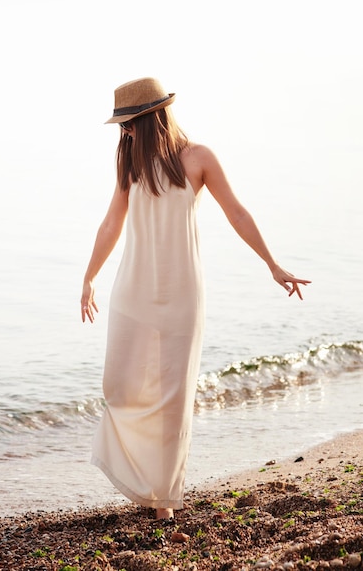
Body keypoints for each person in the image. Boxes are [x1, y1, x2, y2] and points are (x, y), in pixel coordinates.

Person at [81, 77, 311, 521]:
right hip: (133, 290)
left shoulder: (198, 158)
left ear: (150, 119)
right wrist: (89, 277)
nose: (124, 133)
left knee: (172, 396)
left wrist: (272, 264)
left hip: (182, 294)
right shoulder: (131, 163)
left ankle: (162, 497)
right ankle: (141, 475)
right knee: (120, 386)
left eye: (128, 125)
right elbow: (112, 221)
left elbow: (237, 212)